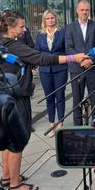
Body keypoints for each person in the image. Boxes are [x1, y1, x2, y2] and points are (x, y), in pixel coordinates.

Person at [0, 10, 86, 190]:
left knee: (8, 139)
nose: (24, 30)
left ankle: (7, 176)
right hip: (17, 97)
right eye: (21, 26)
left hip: (4, 96)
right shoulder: (15, 46)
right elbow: (41, 58)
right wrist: (73, 58)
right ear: (10, 28)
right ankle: (15, 185)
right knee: (17, 141)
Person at [65, 0, 95, 126]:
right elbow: (68, 47)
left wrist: (90, 60)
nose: (84, 12)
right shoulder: (70, 27)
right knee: (77, 101)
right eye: (82, 10)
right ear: (77, 11)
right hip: (76, 69)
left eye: (87, 10)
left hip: (93, 68)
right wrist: (82, 60)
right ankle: (78, 128)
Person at [35, 9, 68, 138]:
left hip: (60, 69)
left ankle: (60, 124)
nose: (50, 20)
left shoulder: (62, 33)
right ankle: (51, 124)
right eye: (47, 18)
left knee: (60, 97)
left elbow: (66, 50)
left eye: (52, 18)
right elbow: (37, 52)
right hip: (45, 70)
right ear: (44, 20)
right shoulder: (40, 35)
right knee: (49, 98)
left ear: (56, 19)